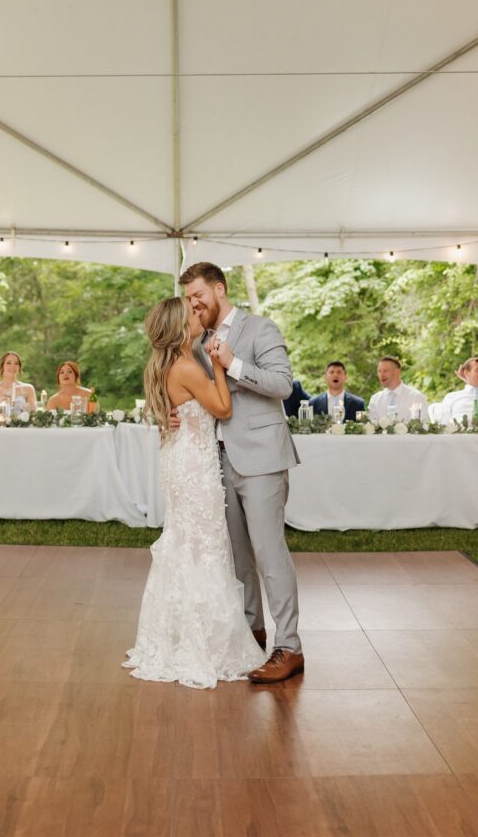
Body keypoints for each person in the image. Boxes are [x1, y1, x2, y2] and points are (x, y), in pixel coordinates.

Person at [123, 296, 265, 689]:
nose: (198, 314)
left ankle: (181, 636)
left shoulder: (175, 362)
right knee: (203, 546)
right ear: (180, 327)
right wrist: (220, 364)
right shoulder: (186, 365)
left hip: (182, 459)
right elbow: (222, 408)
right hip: (193, 467)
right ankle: (205, 644)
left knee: (188, 543)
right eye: (191, 313)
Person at [179, 262, 303, 684]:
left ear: (219, 289)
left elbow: (283, 385)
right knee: (237, 556)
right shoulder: (197, 341)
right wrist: (173, 415)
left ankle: (289, 646)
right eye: (189, 299)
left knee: (269, 554)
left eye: (199, 296)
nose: (194, 305)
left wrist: (233, 363)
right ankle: (253, 634)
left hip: (262, 458)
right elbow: (194, 392)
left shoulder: (260, 328)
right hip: (216, 459)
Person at [368, 356, 429, 423]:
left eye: (385, 371)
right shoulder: (375, 400)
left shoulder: (416, 397)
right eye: (379, 371)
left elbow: (422, 425)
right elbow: (371, 426)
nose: (381, 375)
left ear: (397, 372)